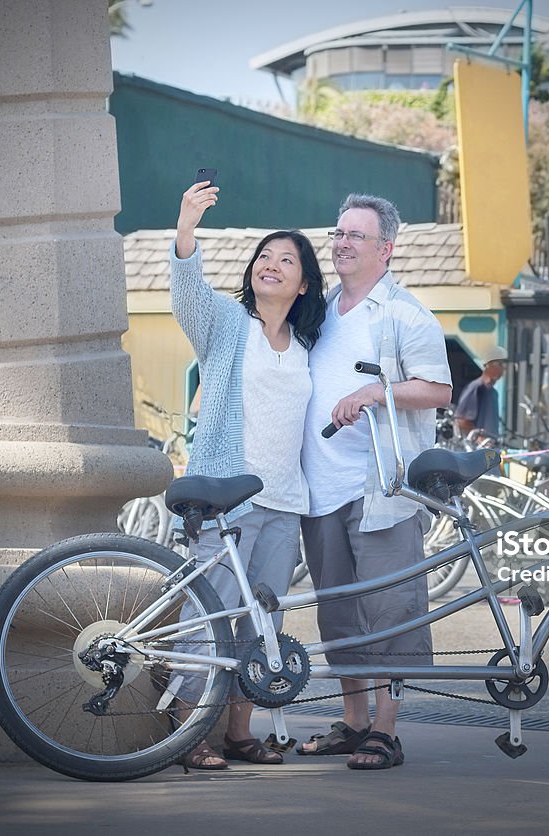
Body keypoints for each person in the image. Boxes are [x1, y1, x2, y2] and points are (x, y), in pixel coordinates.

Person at [168, 179, 327, 769]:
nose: (272, 264)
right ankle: (185, 733)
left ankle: (238, 731)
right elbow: (187, 294)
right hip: (226, 498)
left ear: (303, 282)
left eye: (287, 260)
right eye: (265, 255)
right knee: (208, 614)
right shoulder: (227, 324)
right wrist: (187, 225)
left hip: (285, 501)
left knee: (264, 623)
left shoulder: (310, 343)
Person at [299, 194, 453, 770]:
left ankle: (386, 732)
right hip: (320, 489)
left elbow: (438, 390)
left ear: (385, 249)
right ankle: (353, 722)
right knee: (337, 616)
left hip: (381, 492)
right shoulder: (318, 311)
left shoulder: (405, 314)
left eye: (356, 236)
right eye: (338, 233)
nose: (341, 243)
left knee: (392, 613)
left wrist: (374, 392)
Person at [454, 345, 508, 440]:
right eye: (500, 364)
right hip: (475, 451)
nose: (504, 369)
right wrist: (479, 439)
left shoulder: (493, 392)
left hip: (490, 449)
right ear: (489, 364)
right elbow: (461, 420)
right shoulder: (476, 387)